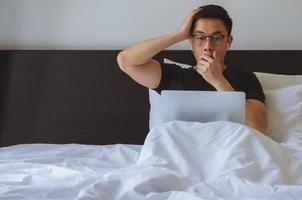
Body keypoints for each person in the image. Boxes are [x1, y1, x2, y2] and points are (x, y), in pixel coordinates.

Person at [117, 4, 267, 134]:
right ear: (191, 41)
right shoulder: (173, 75)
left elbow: (258, 128)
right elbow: (126, 61)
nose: (208, 46)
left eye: (216, 38)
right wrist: (179, 34)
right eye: (200, 37)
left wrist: (219, 81)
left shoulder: (246, 78)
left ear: (228, 42)